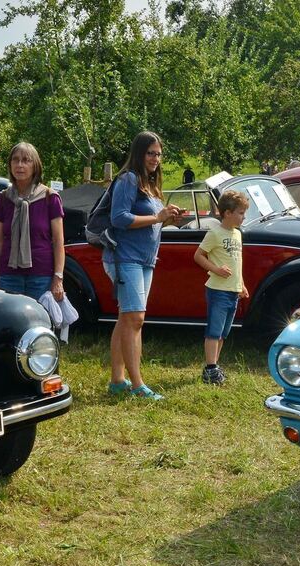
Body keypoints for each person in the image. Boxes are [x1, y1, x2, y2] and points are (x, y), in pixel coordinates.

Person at [105, 131, 184, 400]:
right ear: (139, 154)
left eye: (159, 154)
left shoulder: (150, 184)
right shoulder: (128, 179)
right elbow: (119, 218)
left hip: (145, 260)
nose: (155, 158)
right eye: (150, 153)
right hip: (126, 257)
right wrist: (156, 216)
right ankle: (137, 385)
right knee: (136, 319)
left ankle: (117, 381)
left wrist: (167, 219)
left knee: (126, 318)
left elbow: (151, 220)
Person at [0, 142, 65, 301]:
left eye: (26, 160)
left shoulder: (50, 197)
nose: (19, 165)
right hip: (8, 276)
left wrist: (58, 278)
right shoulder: (3, 198)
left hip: (41, 275)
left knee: (39, 323)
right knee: (10, 323)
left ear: (35, 165)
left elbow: (58, 241)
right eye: (15, 160)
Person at [193, 191, 249, 385]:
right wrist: (215, 269)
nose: (244, 217)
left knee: (223, 333)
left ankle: (214, 365)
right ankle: (210, 369)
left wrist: (241, 285)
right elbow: (198, 255)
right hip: (218, 290)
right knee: (214, 331)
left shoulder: (237, 234)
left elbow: (237, 263)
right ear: (226, 213)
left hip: (233, 291)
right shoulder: (215, 233)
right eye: (240, 213)